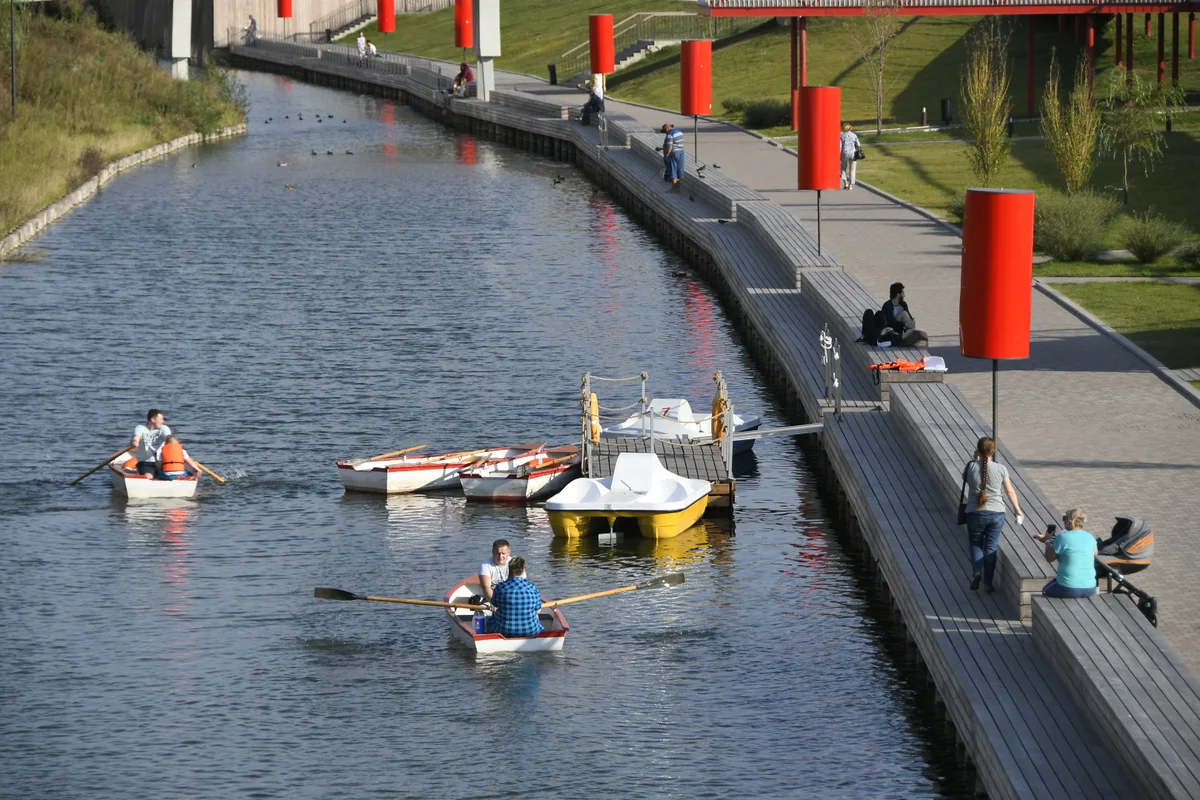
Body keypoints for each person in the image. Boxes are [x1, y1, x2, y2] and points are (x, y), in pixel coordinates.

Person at [961, 436, 1024, 592]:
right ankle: (988, 583)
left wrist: (975, 459)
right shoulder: (1001, 468)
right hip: (997, 512)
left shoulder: (970, 467)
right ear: (993, 451)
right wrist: (1017, 509)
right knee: (991, 547)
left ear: (978, 450)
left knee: (975, 544)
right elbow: (1010, 491)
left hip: (975, 512)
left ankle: (977, 571)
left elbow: (966, 479)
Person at [1037, 508, 1099, 598]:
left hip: (1069, 587)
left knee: (1045, 590)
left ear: (1069, 522)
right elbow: (1095, 554)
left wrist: (1048, 542)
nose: (1064, 521)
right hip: (1090, 588)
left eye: (1064, 518)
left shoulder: (1062, 537)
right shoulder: (1090, 537)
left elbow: (1049, 558)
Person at [487, 556, 544, 637]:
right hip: (531, 631)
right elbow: (538, 611)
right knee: (535, 615)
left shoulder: (500, 587)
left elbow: (494, 604)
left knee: (490, 619)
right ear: (523, 570)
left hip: (504, 632)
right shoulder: (532, 588)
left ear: (509, 569)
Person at [881, 282, 929, 347]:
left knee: (924, 335)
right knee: (904, 314)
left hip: (903, 329)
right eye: (903, 293)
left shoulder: (903, 304)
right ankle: (912, 337)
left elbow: (909, 316)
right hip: (892, 330)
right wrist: (904, 324)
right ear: (898, 294)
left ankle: (912, 337)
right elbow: (890, 322)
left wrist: (911, 322)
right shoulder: (887, 306)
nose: (904, 295)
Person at [130, 409, 172, 477]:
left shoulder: (164, 428)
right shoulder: (140, 428)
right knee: (148, 476)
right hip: (145, 463)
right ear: (153, 420)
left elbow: (169, 438)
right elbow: (136, 437)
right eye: (161, 419)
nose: (163, 421)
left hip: (161, 462)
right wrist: (135, 442)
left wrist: (170, 442)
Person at [478, 539, 511, 603]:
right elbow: (486, 587)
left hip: (510, 597)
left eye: (503, 553)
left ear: (509, 553)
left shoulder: (515, 563)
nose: (500, 556)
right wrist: (494, 604)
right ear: (493, 552)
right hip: (492, 598)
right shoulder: (485, 565)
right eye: (498, 553)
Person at [661, 123, 685, 193]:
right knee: (678, 170)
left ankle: (674, 188)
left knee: (673, 170)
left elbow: (670, 147)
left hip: (674, 153)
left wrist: (667, 155)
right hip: (681, 152)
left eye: (665, 131)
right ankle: (678, 188)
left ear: (667, 129)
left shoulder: (670, 134)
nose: (665, 133)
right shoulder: (679, 132)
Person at [840, 123, 860, 190]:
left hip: (844, 153)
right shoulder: (854, 135)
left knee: (843, 168)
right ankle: (850, 185)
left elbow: (840, 146)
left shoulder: (842, 136)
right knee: (852, 169)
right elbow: (858, 144)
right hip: (853, 153)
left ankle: (845, 182)